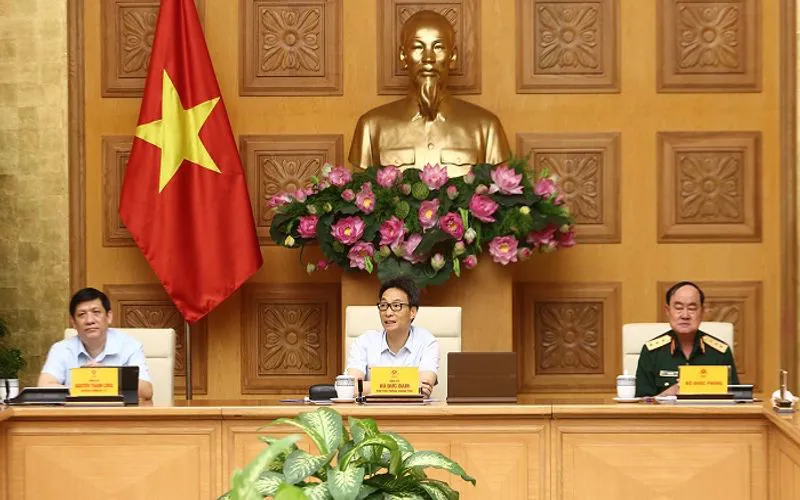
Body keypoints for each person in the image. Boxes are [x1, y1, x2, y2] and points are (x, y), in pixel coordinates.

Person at [348, 10, 510, 177]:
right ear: (403, 55)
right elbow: (360, 186)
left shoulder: (486, 128)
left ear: (453, 56)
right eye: (418, 47)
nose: (428, 58)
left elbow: (499, 189)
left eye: (438, 47)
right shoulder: (371, 127)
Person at [38, 287, 154, 401]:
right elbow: (44, 386)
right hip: (76, 412)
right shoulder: (61, 349)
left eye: (96, 312)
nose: (90, 321)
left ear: (109, 317)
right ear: (73, 322)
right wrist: (83, 388)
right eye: (82, 314)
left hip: (117, 412)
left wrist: (107, 376)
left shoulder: (129, 345)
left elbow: (146, 391)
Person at [635, 281, 739, 397]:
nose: (685, 315)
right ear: (668, 311)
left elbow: (736, 398)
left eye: (692, 308)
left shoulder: (720, 353)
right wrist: (667, 394)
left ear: (702, 312)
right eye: (678, 308)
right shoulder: (652, 352)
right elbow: (641, 403)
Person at [346, 277, 439, 397]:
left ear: (412, 312)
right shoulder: (364, 341)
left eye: (396, 305)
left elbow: (424, 390)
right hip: (373, 409)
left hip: (413, 409)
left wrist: (370, 387)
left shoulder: (427, 342)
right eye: (383, 305)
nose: (388, 313)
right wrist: (407, 385)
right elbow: (351, 388)